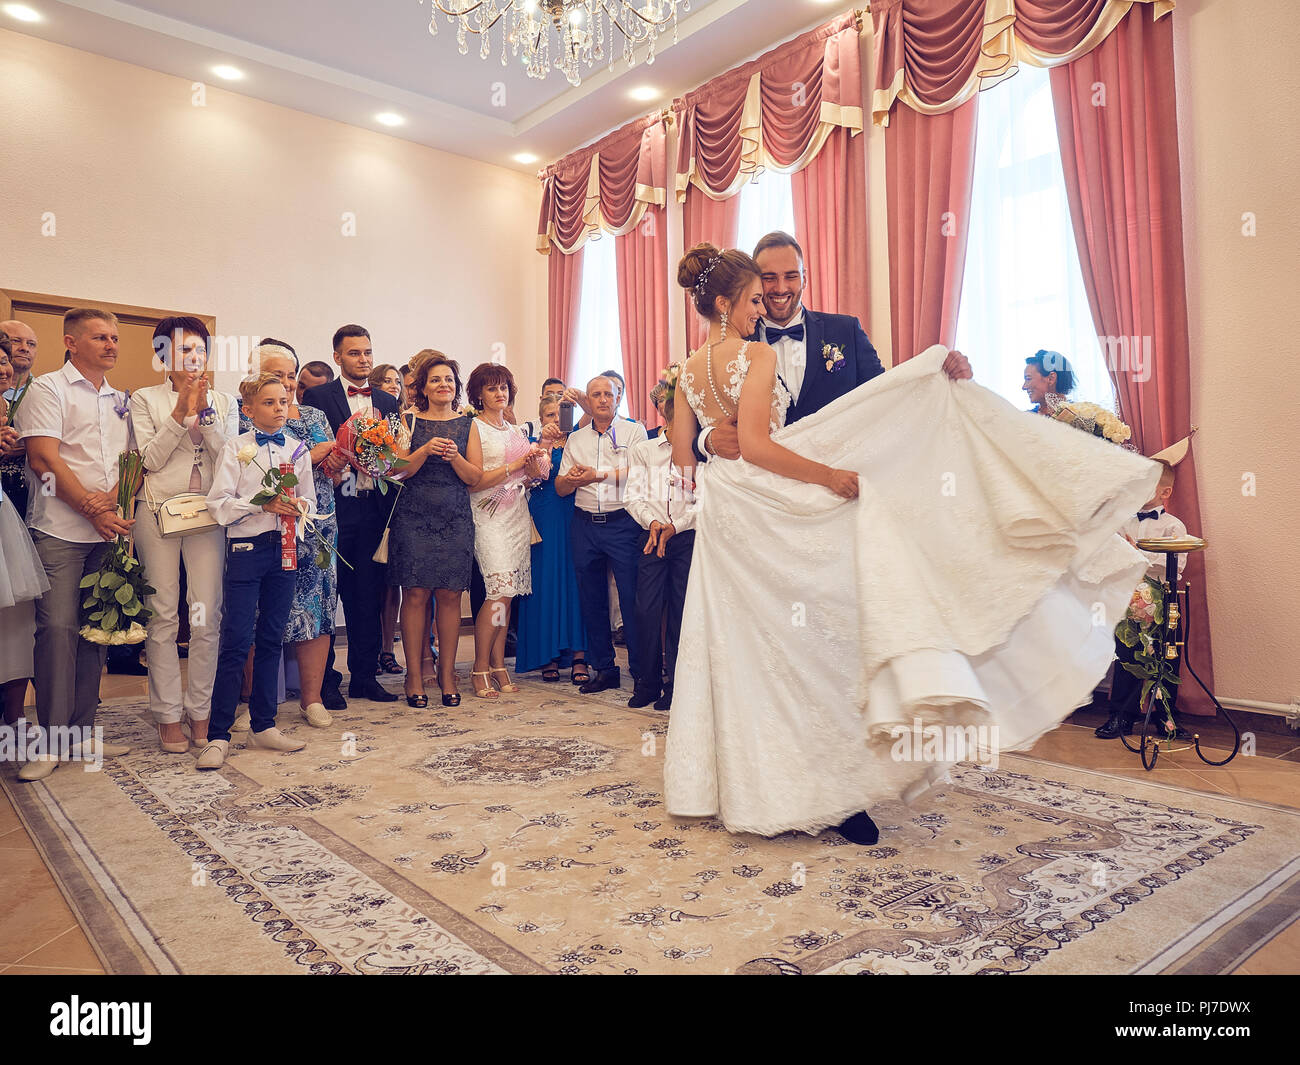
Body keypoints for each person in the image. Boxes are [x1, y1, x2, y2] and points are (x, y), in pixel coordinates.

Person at [663, 244, 1160, 846]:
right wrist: (732, 446)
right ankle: (790, 783)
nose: (774, 291)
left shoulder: (795, 342)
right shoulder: (755, 349)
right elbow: (731, 444)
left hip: (778, 512)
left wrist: (938, 374)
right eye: (763, 283)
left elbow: (889, 394)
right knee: (767, 646)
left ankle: (827, 784)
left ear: (803, 276)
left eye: (788, 276)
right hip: (778, 509)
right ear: (740, 294)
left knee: (829, 640)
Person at [14, 308, 135, 782]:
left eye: (114, 338)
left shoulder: (120, 398)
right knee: (58, 632)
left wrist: (116, 502)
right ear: (71, 342)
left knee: (95, 632)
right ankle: (50, 741)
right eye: (100, 337)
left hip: (107, 531)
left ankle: (82, 734)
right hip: (61, 530)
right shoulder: (47, 389)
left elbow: (133, 459)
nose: (111, 345)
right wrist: (92, 506)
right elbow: (44, 458)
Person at [197, 371, 316, 770]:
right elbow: (220, 504)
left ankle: (264, 724)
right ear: (248, 410)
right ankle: (217, 733)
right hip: (246, 549)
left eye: (283, 401)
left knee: (272, 638)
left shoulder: (298, 450)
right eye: (269, 402)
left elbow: (310, 502)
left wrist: (298, 509)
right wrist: (261, 505)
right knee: (235, 640)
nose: (279, 408)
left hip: (284, 550)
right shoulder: (236, 448)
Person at [130, 317, 238, 753]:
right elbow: (150, 460)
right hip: (157, 512)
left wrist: (206, 412)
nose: (192, 359)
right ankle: (167, 714)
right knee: (162, 615)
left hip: (207, 515)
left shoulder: (225, 401)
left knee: (205, 614)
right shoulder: (143, 399)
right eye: (181, 351)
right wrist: (179, 413)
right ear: (162, 356)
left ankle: (201, 710)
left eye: (199, 350)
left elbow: (228, 456)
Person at [300, 324, 400, 706]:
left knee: (367, 597)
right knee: (327, 595)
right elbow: (307, 448)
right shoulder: (318, 396)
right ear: (338, 356)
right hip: (330, 508)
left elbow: (394, 457)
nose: (363, 360)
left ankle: (364, 677)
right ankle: (324, 682)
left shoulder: (388, 403)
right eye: (355, 353)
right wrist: (335, 458)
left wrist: (385, 462)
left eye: (368, 353)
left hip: (371, 510)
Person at [251, 342, 341, 729]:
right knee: (259, 612)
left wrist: (335, 459)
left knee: (316, 609)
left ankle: (312, 699)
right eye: (276, 376)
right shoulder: (246, 417)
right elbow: (249, 465)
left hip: (316, 526)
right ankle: (255, 704)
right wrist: (314, 452)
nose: (286, 384)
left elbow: (332, 464)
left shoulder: (315, 414)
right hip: (262, 527)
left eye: (290, 376)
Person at [387, 356, 479, 707]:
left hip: (455, 517)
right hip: (413, 517)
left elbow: (474, 478)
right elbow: (397, 470)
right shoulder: (406, 421)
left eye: (449, 380)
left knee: (452, 595)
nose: (444, 385)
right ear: (423, 387)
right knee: (415, 595)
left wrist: (455, 457)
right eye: (436, 380)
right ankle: (413, 676)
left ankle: (447, 673)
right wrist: (425, 449)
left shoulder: (469, 425)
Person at [556, 375, 649, 694]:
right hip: (584, 524)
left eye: (608, 394)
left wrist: (597, 475)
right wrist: (572, 481)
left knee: (631, 598)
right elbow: (559, 486)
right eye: (595, 395)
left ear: (618, 397)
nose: (602, 400)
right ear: (589, 400)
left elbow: (639, 472)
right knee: (591, 598)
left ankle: (642, 671)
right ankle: (604, 668)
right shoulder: (575, 438)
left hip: (623, 523)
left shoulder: (634, 431)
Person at [465, 363, 548, 699]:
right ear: (479, 394)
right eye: (492, 388)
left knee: (510, 593)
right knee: (497, 589)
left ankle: (499, 665)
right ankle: (479, 667)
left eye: (504, 388)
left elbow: (527, 478)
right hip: (487, 517)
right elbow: (474, 482)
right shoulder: (474, 428)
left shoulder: (515, 431)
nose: (500, 394)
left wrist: (534, 469)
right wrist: (516, 465)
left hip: (516, 513)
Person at [1095, 458, 1192, 740]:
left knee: (1167, 659)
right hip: (1130, 601)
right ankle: (1121, 716)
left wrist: (1137, 554)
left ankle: (1166, 719)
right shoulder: (1121, 522)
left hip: (1164, 602)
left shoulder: (1174, 526)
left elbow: (1176, 565)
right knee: (1127, 658)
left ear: (1165, 492)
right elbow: (1110, 561)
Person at [624, 389, 696, 710]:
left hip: (685, 538)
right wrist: (654, 523)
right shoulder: (643, 450)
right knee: (646, 609)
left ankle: (675, 684)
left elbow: (704, 500)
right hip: (651, 538)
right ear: (663, 414)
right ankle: (648, 681)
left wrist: (675, 526)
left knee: (681, 611)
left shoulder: (700, 452)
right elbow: (633, 497)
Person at [515, 395, 588, 684]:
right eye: (549, 415)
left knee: (577, 581)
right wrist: (542, 445)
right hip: (543, 515)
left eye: (561, 415)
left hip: (575, 514)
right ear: (541, 419)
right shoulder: (531, 443)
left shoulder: (581, 440)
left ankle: (580, 654)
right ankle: (548, 655)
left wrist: (579, 403)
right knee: (544, 583)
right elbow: (530, 479)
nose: (555, 421)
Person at [0, 333, 47, 741]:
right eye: (11, 344)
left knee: (19, 619)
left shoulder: (39, 393)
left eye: (29, 343)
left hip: (21, 513)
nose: (18, 352)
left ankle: (14, 718)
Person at [0, 319, 36, 521]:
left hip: (28, 492)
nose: (24, 349)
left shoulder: (44, 393)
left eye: (31, 344)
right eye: (16, 341)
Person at [1023, 349, 1077, 413]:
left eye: (1028, 379)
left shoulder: (1079, 417)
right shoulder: (1026, 418)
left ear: (1051, 378)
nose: (1024, 387)